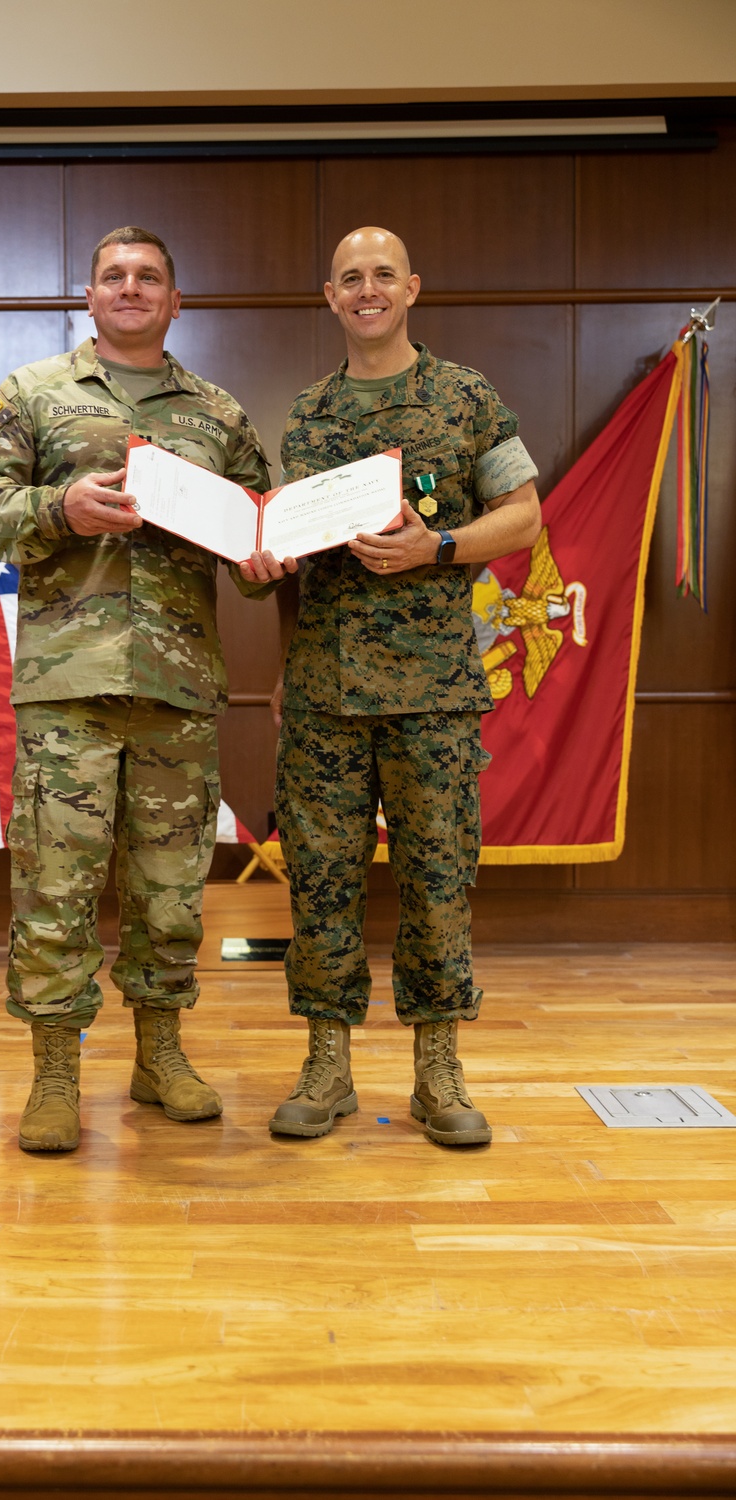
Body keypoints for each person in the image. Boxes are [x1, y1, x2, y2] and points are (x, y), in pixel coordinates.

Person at [0, 226, 269, 1154]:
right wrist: (61, 507)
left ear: (177, 302)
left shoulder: (217, 414)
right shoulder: (32, 396)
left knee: (171, 892)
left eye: (150, 278)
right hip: (68, 682)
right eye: (113, 276)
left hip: (178, 686)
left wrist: (265, 554)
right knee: (56, 887)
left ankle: (160, 1054)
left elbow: (255, 539)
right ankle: (55, 1074)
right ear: (88, 297)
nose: (131, 289)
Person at [238, 226, 542, 1145]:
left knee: (438, 878)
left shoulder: (462, 396)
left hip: (435, 692)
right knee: (322, 883)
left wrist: (438, 546)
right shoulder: (308, 414)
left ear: (412, 288)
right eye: (348, 279)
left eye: (382, 275)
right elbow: (293, 554)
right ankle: (327, 1065)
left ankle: (437, 1068)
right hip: (327, 694)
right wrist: (285, 654)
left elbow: (524, 517)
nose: (366, 290)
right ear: (329, 297)